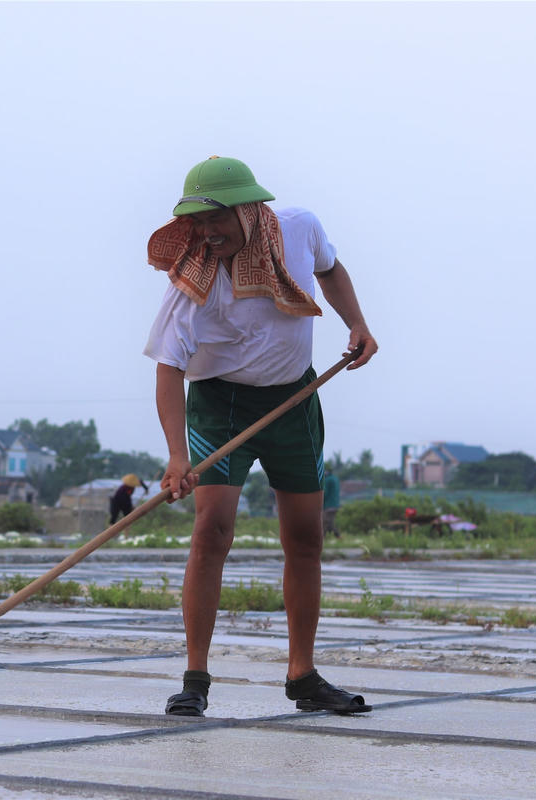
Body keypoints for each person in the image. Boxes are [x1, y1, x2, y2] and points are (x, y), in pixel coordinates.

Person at [144, 156, 378, 717]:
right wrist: (178, 455)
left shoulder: (299, 228)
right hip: (220, 405)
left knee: (304, 537)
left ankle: (303, 676)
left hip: (292, 399)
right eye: (196, 223)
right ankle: (195, 678)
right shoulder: (193, 280)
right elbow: (169, 369)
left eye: (215, 219)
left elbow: (331, 271)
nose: (206, 233)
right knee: (212, 530)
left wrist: (358, 323)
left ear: (248, 211)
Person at [322, 470, 342, 537]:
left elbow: (324, 494)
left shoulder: (327, 480)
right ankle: (338, 536)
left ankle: (323, 537)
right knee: (329, 522)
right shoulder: (335, 479)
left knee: (324, 522)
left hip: (329, 505)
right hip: (335, 504)